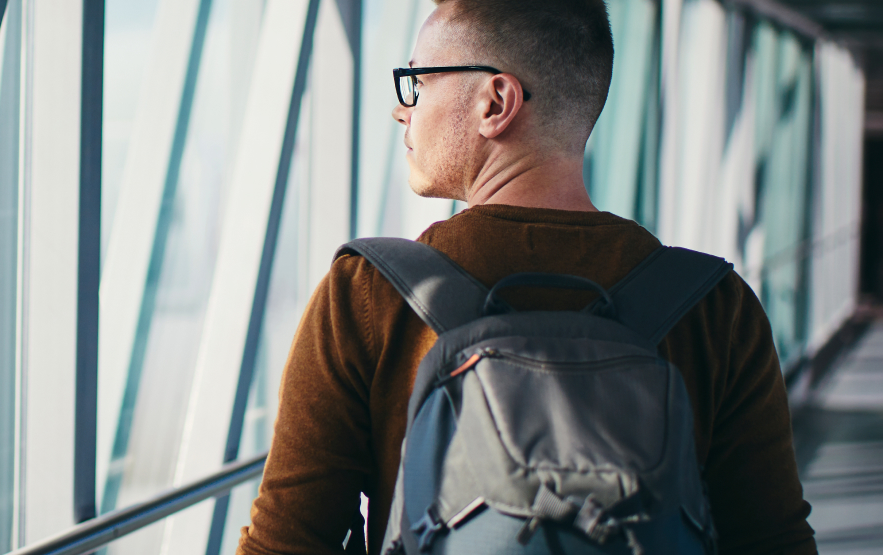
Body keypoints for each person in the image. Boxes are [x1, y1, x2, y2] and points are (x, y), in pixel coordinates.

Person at [234, 0, 817, 553]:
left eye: (418, 81)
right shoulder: (717, 307)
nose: (401, 108)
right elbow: (773, 542)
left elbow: (286, 543)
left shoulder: (368, 294)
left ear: (496, 102)